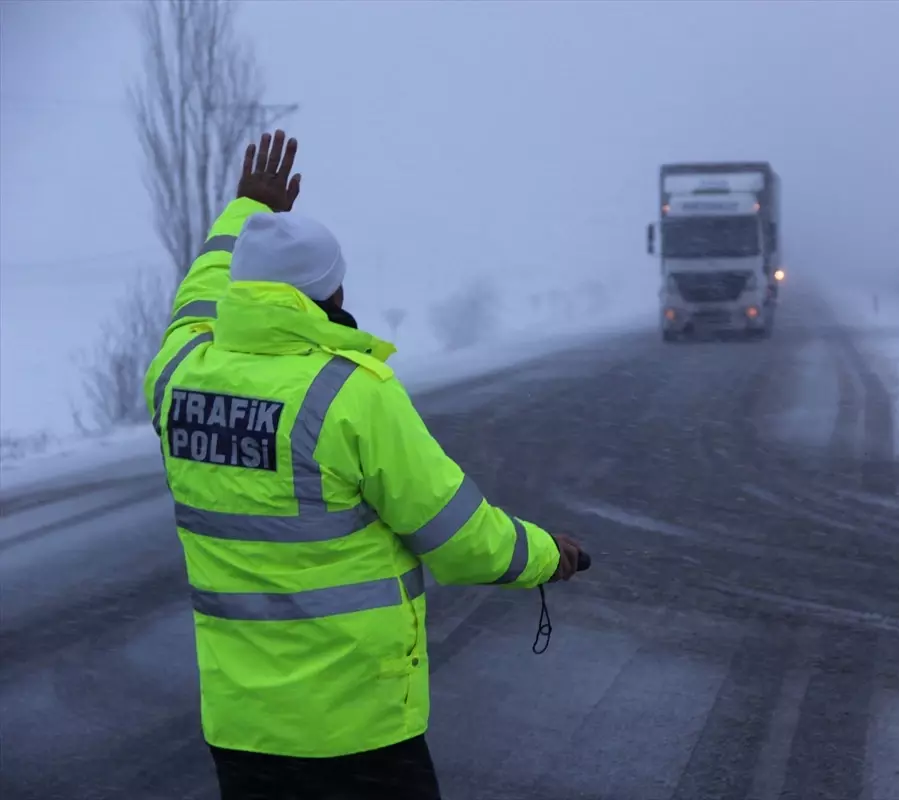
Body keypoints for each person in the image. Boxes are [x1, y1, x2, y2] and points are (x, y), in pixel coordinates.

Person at [143, 129, 584, 800]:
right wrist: (549, 555)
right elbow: (460, 540)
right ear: (332, 292)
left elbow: (198, 298)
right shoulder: (351, 393)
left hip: (243, 730)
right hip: (355, 729)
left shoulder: (178, 373)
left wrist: (243, 212)